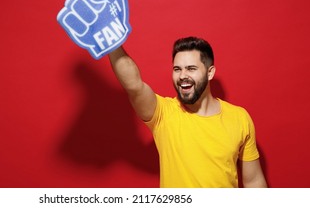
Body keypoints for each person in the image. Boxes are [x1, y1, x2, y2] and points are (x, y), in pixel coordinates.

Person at [108, 36, 267, 188]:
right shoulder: (163, 114)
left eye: (191, 69)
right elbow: (134, 85)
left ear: (210, 72)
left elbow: (254, 182)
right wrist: (110, 39)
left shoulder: (239, 118)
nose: (182, 76)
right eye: (177, 69)